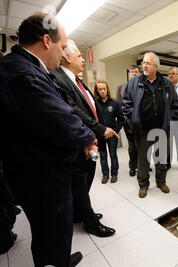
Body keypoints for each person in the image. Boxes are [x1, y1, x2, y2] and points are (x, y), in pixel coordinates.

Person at [0, 13, 96, 267]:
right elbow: (58, 117)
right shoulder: (22, 74)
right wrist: (88, 137)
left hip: (36, 169)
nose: (63, 55)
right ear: (46, 40)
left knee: (53, 232)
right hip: (40, 174)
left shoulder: (22, 67)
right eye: (62, 47)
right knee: (51, 234)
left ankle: (57, 265)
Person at [51, 39, 116, 238]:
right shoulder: (58, 78)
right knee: (79, 184)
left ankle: (80, 213)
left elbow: (89, 106)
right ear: (67, 57)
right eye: (79, 55)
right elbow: (74, 110)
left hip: (90, 140)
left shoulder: (76, 80)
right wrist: (99, 129)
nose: (83, 60)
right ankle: (90, 223)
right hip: (79, 142)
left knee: (85, 181)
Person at [123, 52, 178, 198]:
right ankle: (143, 185)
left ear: (156, 66)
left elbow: (175, 105)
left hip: (162, 130)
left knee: (161, 160)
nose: (144, 65)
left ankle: (161, 182)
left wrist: (169, 121)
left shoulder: (166, 84)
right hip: (143, 130)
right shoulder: (134, 83)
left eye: (148, 63)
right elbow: (126, 104)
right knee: (143, 161)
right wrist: (134, 119)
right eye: (143, 63)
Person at [94, 79, 125, 183]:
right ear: (97, 90)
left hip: (112, 135)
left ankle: (114, 174)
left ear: (107, 89)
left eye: (104, 89)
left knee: (113, 155)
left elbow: (121, 120)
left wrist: (113, 131)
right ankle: (105, 174)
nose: (102, 91)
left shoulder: (114, 103)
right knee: (103, 156)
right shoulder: (94, 104)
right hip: (100, 135)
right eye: (100, 89)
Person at [117, 65, 141, 177]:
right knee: (132, 146)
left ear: (140, 73)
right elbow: (119, 106)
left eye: (136, 71)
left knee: (142, 145)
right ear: (129, 74)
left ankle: (143, 165)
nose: (134, 73)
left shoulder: (144, 86)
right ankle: (133, 167)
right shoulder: (121, 87)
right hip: (129, 123)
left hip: (142, 122)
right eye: (132, 72)